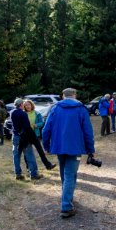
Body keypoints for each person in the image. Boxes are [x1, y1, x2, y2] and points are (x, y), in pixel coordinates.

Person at [42, 88, 95, 219]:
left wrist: (46, 146)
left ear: (63, 96)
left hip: (59, 147)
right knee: (70, 174)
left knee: (64, 173)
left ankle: (67, 196)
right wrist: (90, 149)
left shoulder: (55, 108)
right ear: (75, 95)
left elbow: (46, 129)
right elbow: (88, 132)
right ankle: (66, 206)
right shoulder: (81, 109)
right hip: (75, 148)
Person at [11, 98, 42, 180]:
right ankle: (34, 174)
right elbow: (27, 127)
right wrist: (33, 138)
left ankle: (18, 174)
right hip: (24, 137)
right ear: (21, 105)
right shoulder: (23, 114)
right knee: (30, 155)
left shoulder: (12, 112)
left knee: (16, 156)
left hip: (15, 136)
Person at [23, 99, 56, 170]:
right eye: (25, 105)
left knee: (40, 151)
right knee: (27, 152)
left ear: (31, 105)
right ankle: (28, 167)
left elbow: (42, 122)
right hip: (26, 135)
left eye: (28, 104)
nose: (27, 106)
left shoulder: (37, 113)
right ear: (24, 107)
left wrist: (37, 125)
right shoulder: (23, 114)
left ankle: (48, 165)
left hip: (35, 135)